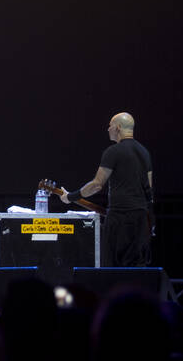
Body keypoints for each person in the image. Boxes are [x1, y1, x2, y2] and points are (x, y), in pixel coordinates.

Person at [59, 111, 153, 267]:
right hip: (141, 220)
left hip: (119, 219)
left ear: (118, 127)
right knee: (137, 268)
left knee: (113, 267)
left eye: (110, 125)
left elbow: (97, 185)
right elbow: (149, 190)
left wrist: (70, 197)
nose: (108, 129)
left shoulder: (113, 152)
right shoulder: (145, 153)